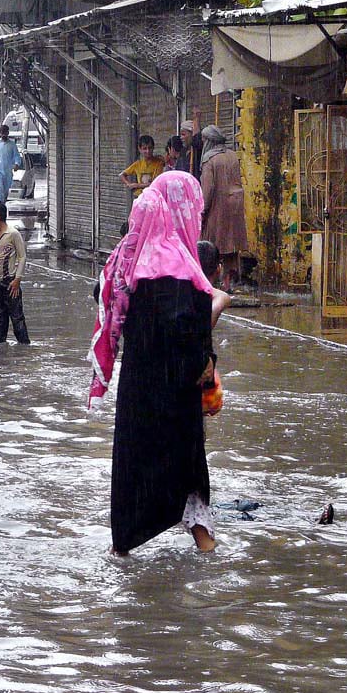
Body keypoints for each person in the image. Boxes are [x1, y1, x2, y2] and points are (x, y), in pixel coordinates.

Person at [88, 170, 218, 555]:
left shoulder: (130, 260)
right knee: (188, 472)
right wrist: (207, 361)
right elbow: (185, 335)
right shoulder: (179, 268)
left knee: (135, 470)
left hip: (138, 390)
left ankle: (123, 549)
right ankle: (207, 556)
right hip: (174, 396)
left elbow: (108, 302)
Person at [200, 125, 249, 292]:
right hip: (234, 209)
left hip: (217, 210)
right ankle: (229, 283)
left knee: (214, 248)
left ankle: (213, 284)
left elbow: (207, 189)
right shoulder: (233, 156)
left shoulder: (209, 160)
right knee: (231, 248)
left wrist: (202, 211)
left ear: (209, 141)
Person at [0, 199, 30, 344]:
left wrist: (17, 279)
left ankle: (24, 351)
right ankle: (0, 355)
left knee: (17, 319)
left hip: (10, 283)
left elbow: (22, 257)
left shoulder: (13, 234)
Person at [0, 124, 21, 204]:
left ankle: (2, 206)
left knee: (5, 191)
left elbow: (17, 156)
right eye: (2, 132)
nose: (3, 134)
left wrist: (17, 164)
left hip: (7, 170)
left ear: (8, 133)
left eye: (5, 132)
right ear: (0, 133)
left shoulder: (12, 144)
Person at [175, 114, 204, 180]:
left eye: (183, 134)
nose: (181, 137)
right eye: (181, 135)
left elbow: (197, 141)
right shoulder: (183, 152)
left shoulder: (197, 151)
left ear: (191, 134)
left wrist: (196, 119)